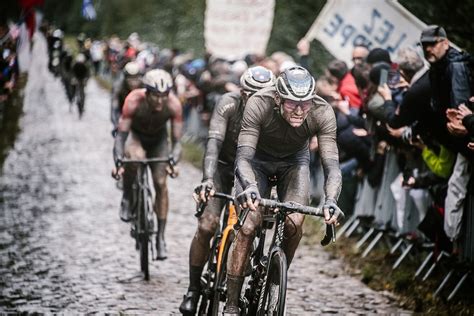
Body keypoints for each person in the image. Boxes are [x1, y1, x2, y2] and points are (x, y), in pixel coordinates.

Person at [223, 66, 343, 315]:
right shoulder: (259, 103)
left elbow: (331, 165)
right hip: (257, 161)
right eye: (291, 103)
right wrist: (251, 187)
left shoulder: (321, 111)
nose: (299, 110)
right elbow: (243, 158)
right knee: (248, 224)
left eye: (305, 103)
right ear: (277, 98)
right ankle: (232, 304)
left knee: (294, 223)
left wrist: (331, 199)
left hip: (294, 163)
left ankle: (277, 276)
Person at [178, 66, 275, 315]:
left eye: (263, 96)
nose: (257, 101)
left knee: (247, 228)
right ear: (242, 92)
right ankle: (193, 289)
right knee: (207, 225)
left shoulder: (276, 113)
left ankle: (249, 277)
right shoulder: (228, 103)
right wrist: (208, 179)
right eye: (252, 94)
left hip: (253, 174)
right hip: (222, 168)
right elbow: (213, 144)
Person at [112, 69, 183, 260]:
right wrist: (119, 160)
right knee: (135, 157)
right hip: (136, 136)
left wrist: (173, 160)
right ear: (146, 92)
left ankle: (160, 237)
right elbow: (120, 137)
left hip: (159, 141)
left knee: (161, 183)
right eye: (155, 96)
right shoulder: (133, 100)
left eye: (164, 96)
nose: (160, 101)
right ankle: (127, 197)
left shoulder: (175, 105)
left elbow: (177, 142)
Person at [419, 25, 473, 243]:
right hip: (457, 141)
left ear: (445, 42)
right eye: (424, 46)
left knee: (456, 191)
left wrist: (463, 127)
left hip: (465, 141)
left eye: (432, 44)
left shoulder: (456, 66)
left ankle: (458, 249)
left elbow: (460, 106)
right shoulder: (438, 67)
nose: (428, 49)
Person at [111, 61, 143, 132]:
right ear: (125, 78)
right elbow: (114, 108)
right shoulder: (118, 88)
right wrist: (117, 124)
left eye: (136, 78)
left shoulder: (144, 88)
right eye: (130, 78)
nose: (133, 82)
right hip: (123, 118)